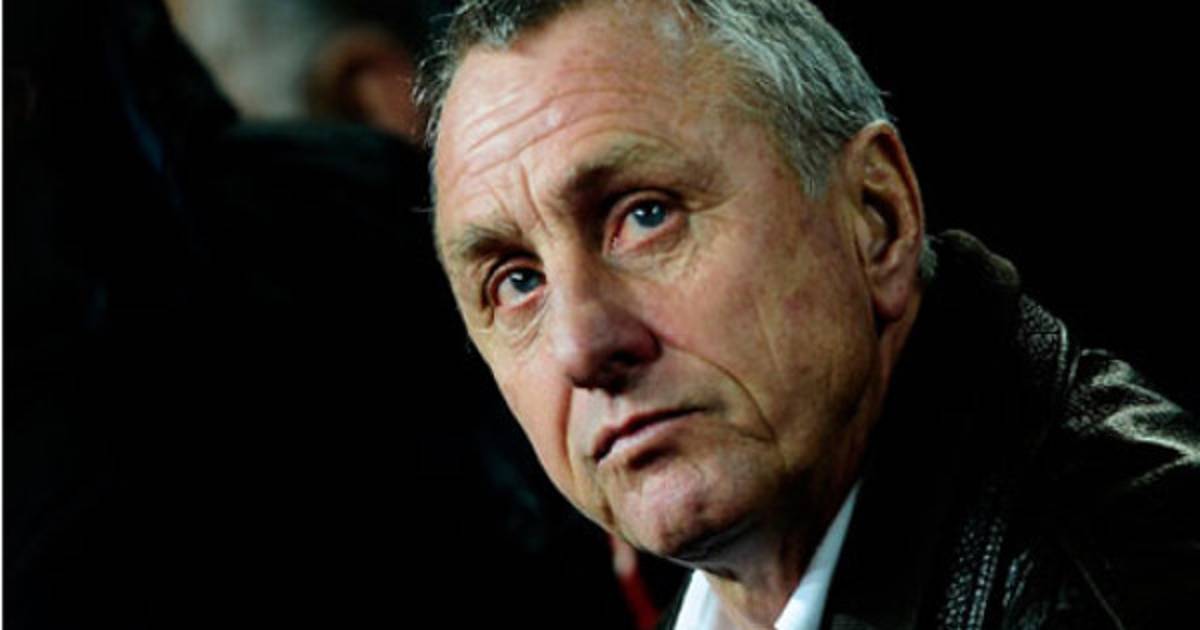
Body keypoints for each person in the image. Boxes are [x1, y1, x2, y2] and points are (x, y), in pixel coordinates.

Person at [418, 1, 1200, 628]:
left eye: (646, 216)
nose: (581, 346)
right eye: (517, 282)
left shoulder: (1127, 576)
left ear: (876, 218)